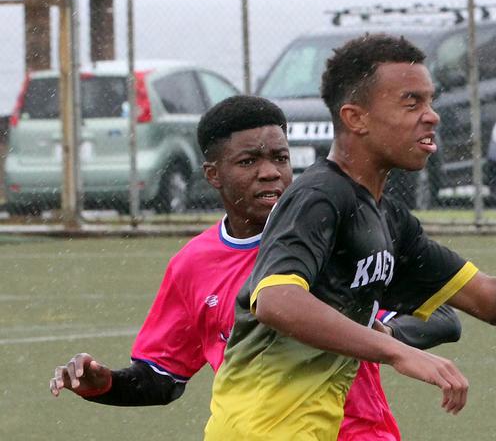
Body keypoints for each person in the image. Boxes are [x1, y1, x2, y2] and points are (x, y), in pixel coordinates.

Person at [204, 34, 496, 440]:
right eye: (411, 103)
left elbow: (493, 299)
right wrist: (397, 351)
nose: (433, 117)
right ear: (356, 118)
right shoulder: (319, 196)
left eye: (430, 101)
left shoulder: (391, 221)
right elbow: (277, 300)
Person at [48, 94, 461, 440]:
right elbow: (162, 377)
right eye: (249, 162)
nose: (270, 172)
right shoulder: (192, 264)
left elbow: (443, 315)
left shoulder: (339, 237)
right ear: (213, 174)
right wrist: (105, 384)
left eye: (280, 158)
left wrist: (386, 334)